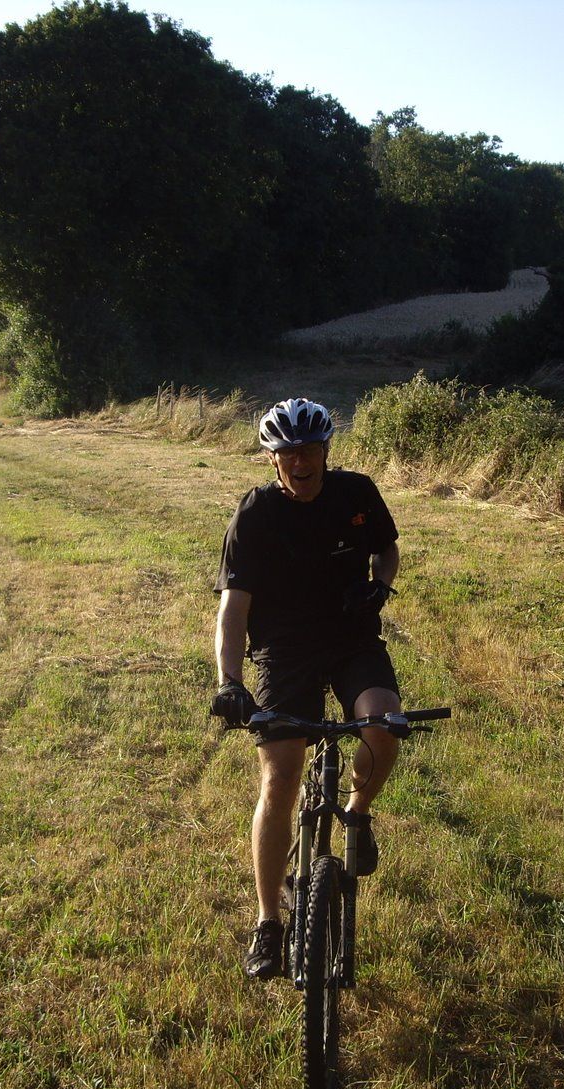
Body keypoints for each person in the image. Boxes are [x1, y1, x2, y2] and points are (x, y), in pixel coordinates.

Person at [211, 398, 403, 980]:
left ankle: (357, 814)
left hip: (351, 639)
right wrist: (229, 682)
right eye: (288, 452)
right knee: (280, 778)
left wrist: (379, 586)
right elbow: (234, 608)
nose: (301, 461)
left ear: (326, 451)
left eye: (310, 450)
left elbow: (387, 548)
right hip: (283, 650)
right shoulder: (256, 514)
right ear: (272, 459)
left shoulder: (357, 493)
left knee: (384, 727)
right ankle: (269, 920)